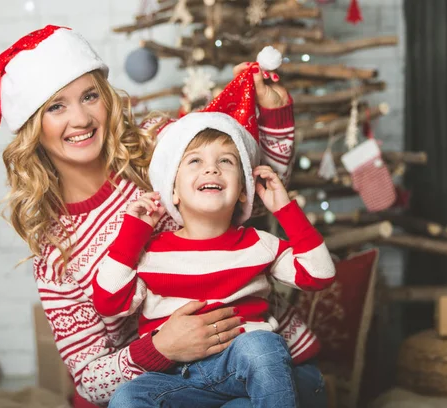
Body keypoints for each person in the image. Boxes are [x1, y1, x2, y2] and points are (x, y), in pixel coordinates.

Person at [0, 25, 327, 407]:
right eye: (56, 106)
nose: (81, 119)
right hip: (173, 385)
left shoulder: (159, 145)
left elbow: (254, 188)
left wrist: (272, 113)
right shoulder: (57, 254)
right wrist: (163, 347)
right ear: (32, 128)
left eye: (90, 96)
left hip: (266, 365)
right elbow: (90, 380)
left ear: (106, 98)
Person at [92, 68, 336, 407]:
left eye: (226, 161)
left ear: (242, 191)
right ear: (172, 191)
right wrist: (132, 234)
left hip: (245, 369)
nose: (211, 169)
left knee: (262, 346)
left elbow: (320, 274)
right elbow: (109, 303)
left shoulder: (258, 243)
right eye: (194, 161)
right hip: (178, 379)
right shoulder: (152, 253)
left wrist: (286, 209)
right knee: (128, 396)